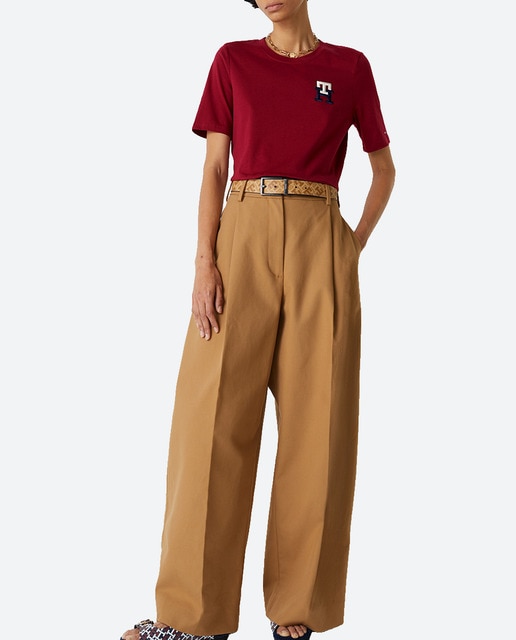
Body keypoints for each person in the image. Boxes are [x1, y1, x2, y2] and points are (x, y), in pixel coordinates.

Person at [121, 1, 395, 639]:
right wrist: (203, 263)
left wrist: (350, 245)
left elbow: (383, 168)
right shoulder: (232, 61)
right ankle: (192, 618)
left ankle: (297, 610)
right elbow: (215, 168)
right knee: (210, 420)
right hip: (241, 233)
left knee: (318, 428)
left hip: (320, 237)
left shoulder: (350, 68)